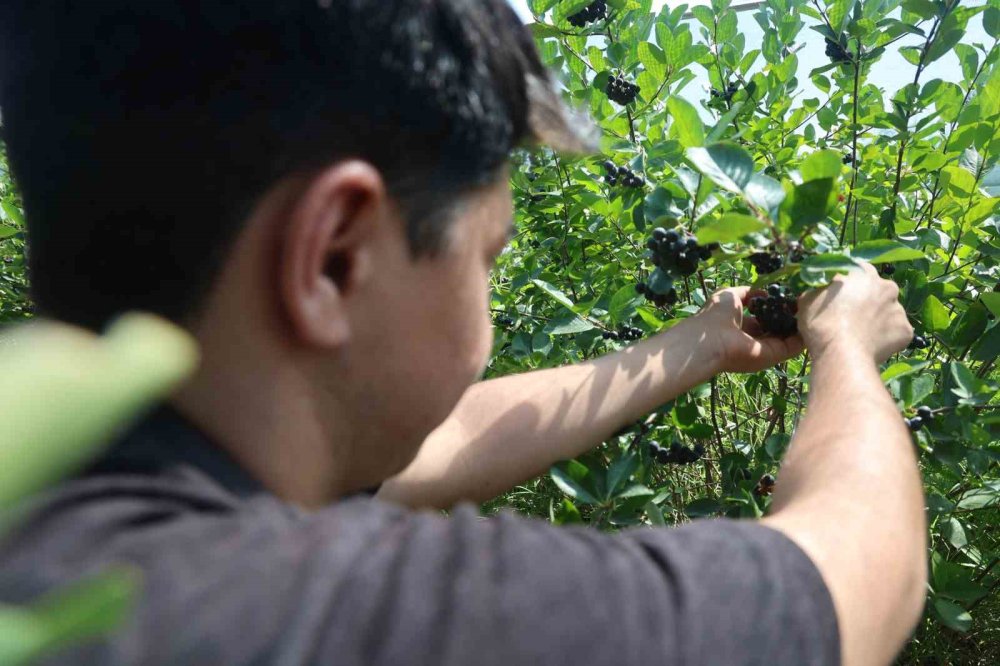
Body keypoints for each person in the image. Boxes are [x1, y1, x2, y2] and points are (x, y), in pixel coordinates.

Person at [0, 2, 926, 665]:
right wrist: (848, 348)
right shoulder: (364, 621)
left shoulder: (63, 490)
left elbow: (436, 435)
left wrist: (702, 341)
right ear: (332, 258)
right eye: (487, 257)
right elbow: (857, 578)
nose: (485, 300)